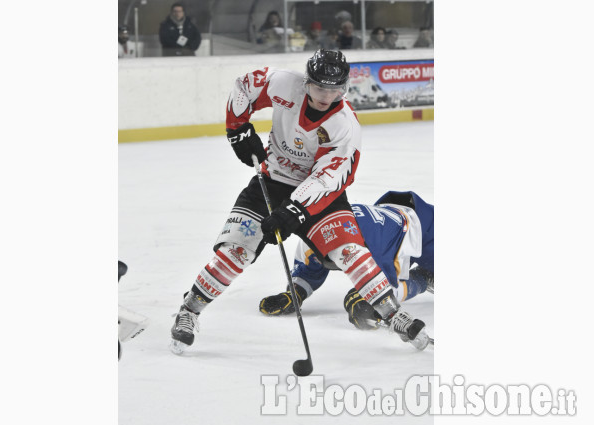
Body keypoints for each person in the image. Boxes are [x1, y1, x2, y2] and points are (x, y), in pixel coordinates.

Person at [170, 49, 400, 355]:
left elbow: (328, 179)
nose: (326, 95)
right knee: (236, 250)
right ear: (307, 82)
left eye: (335, 89)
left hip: (320, 197)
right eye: (320, 87)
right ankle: (189, 310)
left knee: (349, 251)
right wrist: (236, 129)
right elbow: (244, 87)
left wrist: (293, 210)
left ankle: (395, 315)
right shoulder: (283, 84)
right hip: (273, 180)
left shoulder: (345, 125)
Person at [259, 191, 434, 349]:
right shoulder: (312, 236)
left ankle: (425, 278)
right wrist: (294, 293)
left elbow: (387, 289)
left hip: (421, 228)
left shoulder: (370, 246)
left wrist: (371, 301)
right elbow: (308, 269)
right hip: (389, 218)